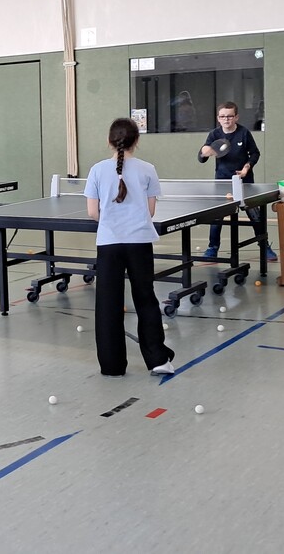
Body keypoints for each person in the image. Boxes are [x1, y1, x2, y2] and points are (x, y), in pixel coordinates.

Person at [84, 119, 175, 377]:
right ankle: (158, 360)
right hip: (140, 243)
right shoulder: (148, 169)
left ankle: (111, 366)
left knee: (108, 303)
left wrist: (113, 223)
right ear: (137, 141)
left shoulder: (97, 170)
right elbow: (151, 211)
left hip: (109, 244)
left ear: (109, 141)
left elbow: (92, 212)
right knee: (145, 298)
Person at [197, 101, 277, 262]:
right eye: (222, 116)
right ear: (218, 118)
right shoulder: (214, 135)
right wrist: (204, 152)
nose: (226, 119)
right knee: (216, 217)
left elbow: (255, 153)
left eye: (229, 116)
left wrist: (246, 167)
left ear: (236, 117)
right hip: (222, 182)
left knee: (255, 215)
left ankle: (264, 246)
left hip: (244, 181)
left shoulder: (244, 133)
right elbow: (202, 157)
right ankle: (212, 248)